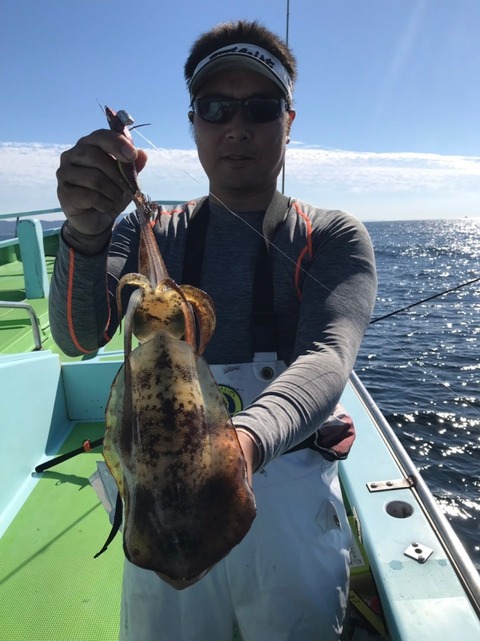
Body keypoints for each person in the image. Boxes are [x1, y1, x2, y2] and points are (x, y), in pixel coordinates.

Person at [52, 19, 377, 641]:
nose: (237, 126)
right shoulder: (146, 230)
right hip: (155, 495)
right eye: (216, 108)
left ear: (288, 121)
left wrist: (238, 448)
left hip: (281, 493)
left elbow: (328, 359)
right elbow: (78, 336)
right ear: (193, 122)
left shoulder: (331, 236)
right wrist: (86, 231)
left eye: (260, 107)